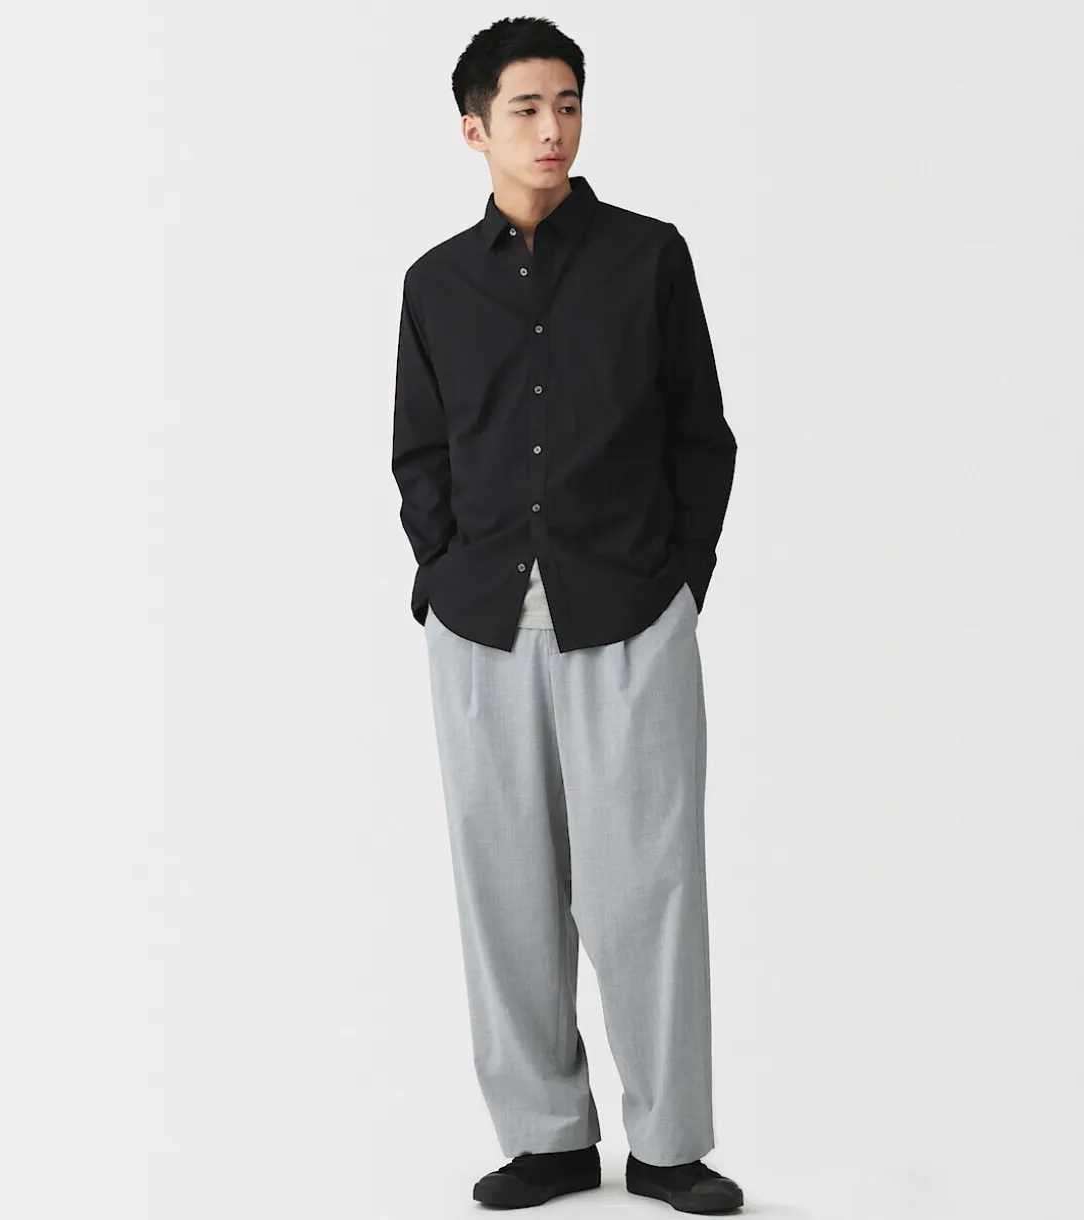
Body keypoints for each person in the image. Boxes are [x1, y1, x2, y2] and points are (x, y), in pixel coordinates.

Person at [391, 16, 740, 1213]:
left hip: (629, 611)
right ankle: (544, 1136)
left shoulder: (648, 258)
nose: (553, 128)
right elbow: (419, 452)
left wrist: (678, 582)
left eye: (569, 103)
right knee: (501, 886)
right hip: (481, 622)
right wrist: (442, 572)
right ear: (474, 129)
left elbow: (700, 435)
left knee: (648, 885)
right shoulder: (435, 284)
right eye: (527, 108)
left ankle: (669, 1142)